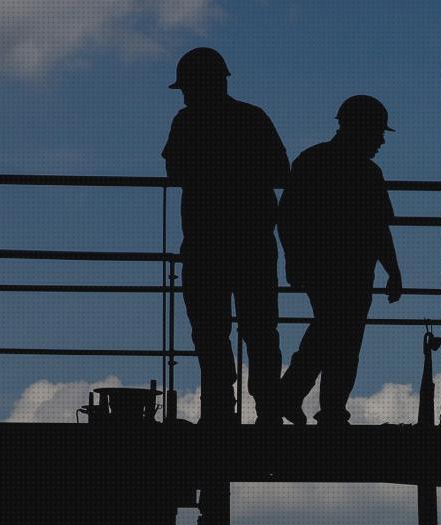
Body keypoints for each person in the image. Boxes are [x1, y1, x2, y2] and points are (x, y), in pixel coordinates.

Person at [162, 47, 289, 426]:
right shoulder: (252, 118)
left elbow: (175, 173)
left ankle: (219, 408)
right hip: (253, 243)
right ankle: (267, 410)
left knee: (209, 330)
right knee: (261, 331)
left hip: (205, 244)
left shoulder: (186, 122)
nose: (184, 94)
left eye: (187, 87)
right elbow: (282, 173)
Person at [278, 95, 403, 425]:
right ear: (361, 129)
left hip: (328, 267)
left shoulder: (313, 161)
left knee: (332, 332)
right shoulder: (366, 172)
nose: (380, 141)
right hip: (350, 269)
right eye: (377, 132)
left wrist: (293, 260)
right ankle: (322, 406)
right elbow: (378, 229)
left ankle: (299, 398)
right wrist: (393, 271)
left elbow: (287, 217)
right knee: (341, 338)